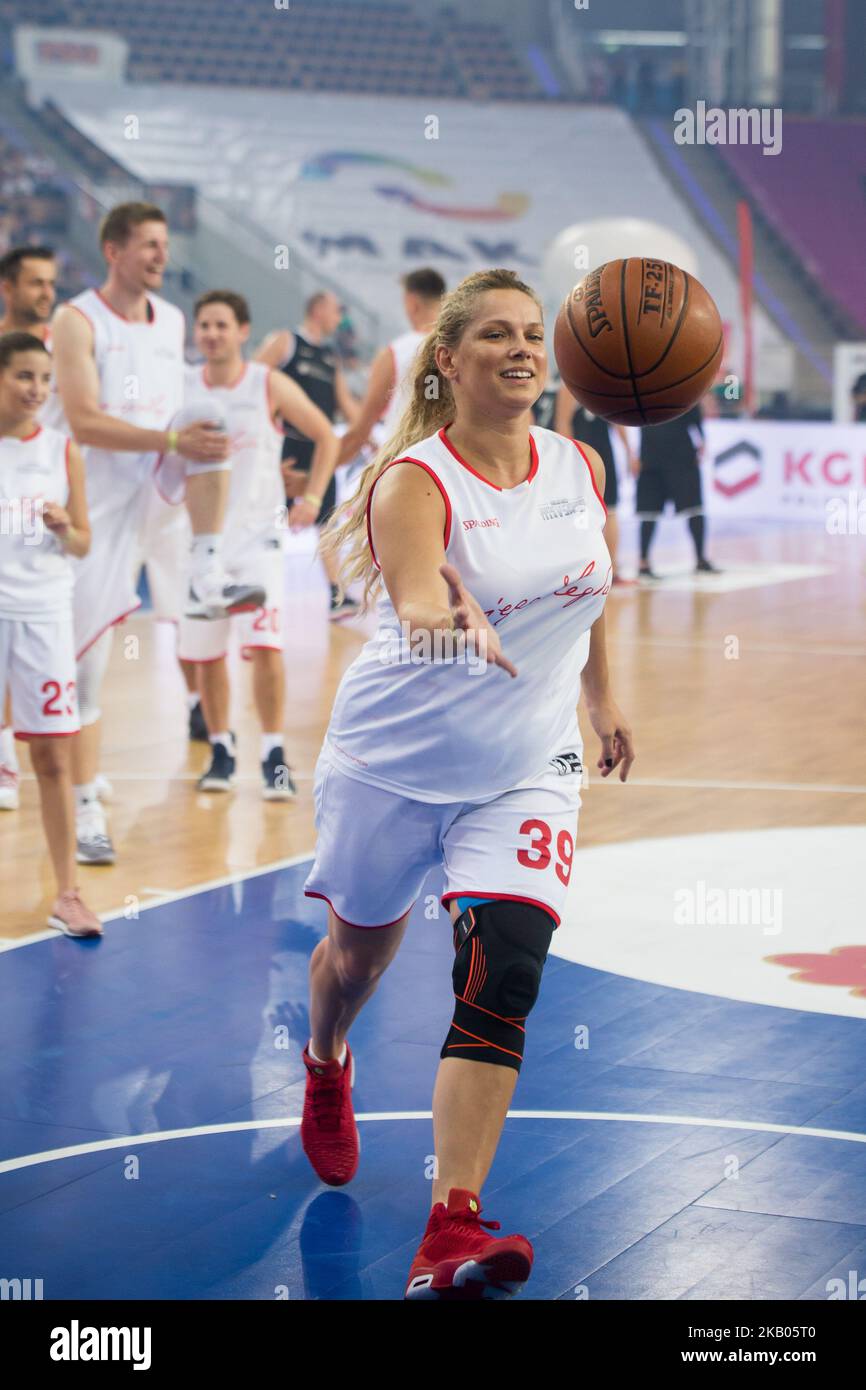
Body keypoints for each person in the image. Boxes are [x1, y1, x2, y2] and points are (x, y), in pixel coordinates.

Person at [298, 268, 635, 1300]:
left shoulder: (577, 463)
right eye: (493, 334)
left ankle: (451, 1224)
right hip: (394, 762)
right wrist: (446, 619)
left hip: (524, 767)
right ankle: (324, 1056)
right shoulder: (416, 480)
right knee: (356, 959)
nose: (521, 348)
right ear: (446, 359)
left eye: (532, 332)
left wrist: (601, 697)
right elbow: (413, 595)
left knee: (505, 970)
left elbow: (588, 588)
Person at [49, 202, 258, 865]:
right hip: (96, 502)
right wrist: (171, 438)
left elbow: (182, 419)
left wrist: (183, 439)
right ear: (113, 251)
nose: (161, 255)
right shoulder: (76, 319)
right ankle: (84, 806)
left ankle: (206, 567)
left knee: (207, 412)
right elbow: (82, 422)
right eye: (147, 245)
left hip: (159, 488)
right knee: (83, 671)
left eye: (165, 244)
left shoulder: (170, 321)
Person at [176, 290, 339, 797]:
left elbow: (326, 435)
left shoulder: (266, 383)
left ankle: (273, 753)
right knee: (206, 655)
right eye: (204, 325)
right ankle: (222, 749)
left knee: (265, 647)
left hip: (258, 540)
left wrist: (312, 495)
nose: (212, 333)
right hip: (200, 542)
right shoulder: (182, 388)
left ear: (243, 332)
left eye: (222, 325)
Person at [0, 332, 101, 935]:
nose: (36, 389)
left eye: (44, 379)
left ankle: (68, 894)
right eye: (23, 377)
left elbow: (85, 542)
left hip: (44, 615)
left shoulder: (63, 451)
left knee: (53, 757)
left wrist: (65, 528)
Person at [254, 290, 360, 619]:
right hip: (287, 443)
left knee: (327, 520)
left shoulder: (330, 357)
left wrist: (369, 435)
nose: (339, 317)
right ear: (317, 310)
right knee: (269, 516)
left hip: (322, 449)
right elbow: (251, 380)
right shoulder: (286, 341)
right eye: (335, 310)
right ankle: (253, 585)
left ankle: (335, 595)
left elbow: (347, 405)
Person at [0, 246, 58, 808]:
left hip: (46, 513)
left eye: (51, 283)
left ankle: (71, 778)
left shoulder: (56, 351)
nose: (46, 293)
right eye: (35, 283)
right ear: (8, 287)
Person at [554, 384, 639, 585]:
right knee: (587, 513)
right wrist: (566, 458)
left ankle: (609, 570)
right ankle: (591, 571)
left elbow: (618, 423)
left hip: (595, 455)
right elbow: (563, 423)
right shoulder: (577, 387)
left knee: (608, 511)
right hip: (587, 456)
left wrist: (629, 453)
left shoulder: (593, 386)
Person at [634, 402, 720, 579]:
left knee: (694, 509)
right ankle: (643, 562)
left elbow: (695, 415)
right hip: (651, 458)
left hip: (682, 458)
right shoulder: (643, 392)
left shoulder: (683, 391)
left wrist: (702, 440)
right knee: (648, 513)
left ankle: (700, 559)